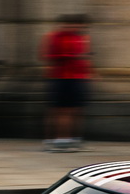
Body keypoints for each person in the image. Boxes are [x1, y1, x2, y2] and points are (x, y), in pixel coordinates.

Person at [40, 14, 93, 151]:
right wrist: (73, 57)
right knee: (60, 110)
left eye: (78, 26)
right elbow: (47, 56)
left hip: (78, 77)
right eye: (71, 25)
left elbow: (85, 58)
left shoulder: (81, 38)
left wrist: (89, 71)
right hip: (60, 77)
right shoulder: (53, 37)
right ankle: (57, 139)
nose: (75, 28)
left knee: (75, 110)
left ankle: (73, 138)